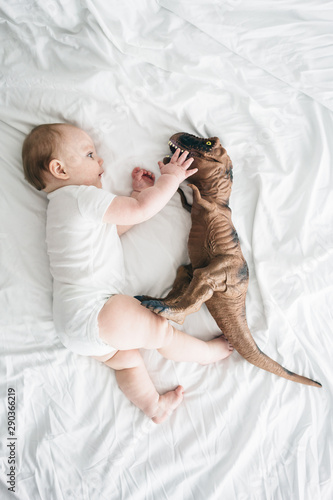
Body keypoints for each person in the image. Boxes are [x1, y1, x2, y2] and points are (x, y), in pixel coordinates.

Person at [22, 123, 233, 424]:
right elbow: (137, 211)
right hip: (97, 310)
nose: (101, 162)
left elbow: (111, 231)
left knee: (127, 362)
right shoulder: (80, 196)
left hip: (73, 325)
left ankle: (153, 406)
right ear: (60, 169)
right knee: (160, 332)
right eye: (90, 154)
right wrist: (169, 179)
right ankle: (208, 353)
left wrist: (137, 193)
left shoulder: (61, 208)